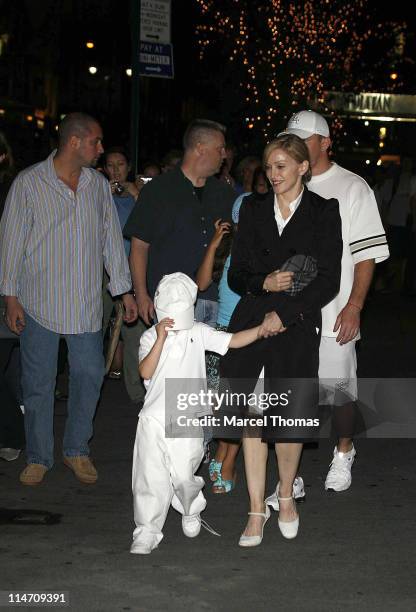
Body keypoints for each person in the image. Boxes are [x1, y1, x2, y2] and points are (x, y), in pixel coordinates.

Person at [0, 112, 138, 486]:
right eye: (96, 142)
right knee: (39, 382)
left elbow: (111, 240)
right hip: (38, 302)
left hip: (85, 304)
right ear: (75, 142)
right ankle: (39, 455)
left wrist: (123, 290)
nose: (100, 149)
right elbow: (11, 243)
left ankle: (76, 449)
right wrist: (10, 297)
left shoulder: (96, 185)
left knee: (91, 375)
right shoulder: (29, 183)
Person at [221, 133, 342, 546]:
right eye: (269, 167)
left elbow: (328, 280)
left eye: (281, 167)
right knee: (254, 417)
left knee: (287, 422)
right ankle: (256, 510)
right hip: (253, 321)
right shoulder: (252, 209)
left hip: (296, 325)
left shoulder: (325, 211)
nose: (272, 175)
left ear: (303, 167)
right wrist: (264, 281)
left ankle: (286, 495)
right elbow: (236, 274)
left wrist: (285, 312)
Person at [267, 109, 389, 494]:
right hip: (291, 312)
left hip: (334, 310)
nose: (297, 143)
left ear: (325, 143)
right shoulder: (284, 182)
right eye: (291, 137)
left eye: (304, 138)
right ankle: (292, 474)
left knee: (339, 391)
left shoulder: (353, 188)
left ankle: (344, 449)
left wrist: (354, 306)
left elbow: (365, 255)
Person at [131, 272, 264, 554]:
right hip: (153, 416)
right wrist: (160, 339)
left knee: (183, 472)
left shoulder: (198, 331)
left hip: (185, 412)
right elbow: (145, 371)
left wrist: (261, 329)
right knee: (149, 476)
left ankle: (191, 507)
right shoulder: (148, 337)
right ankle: (146, 530)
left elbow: (233, 341)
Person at [124, 119, 236, 328]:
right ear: (200, 148)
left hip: (213, 300)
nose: (224, 155)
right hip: (169, 302)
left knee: (207, 360)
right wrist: (141, 295)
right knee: (171, 360)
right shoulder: (158, 191)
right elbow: (139, 247)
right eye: (220, 149)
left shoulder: (225, 194)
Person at [102, 147, 146, 404]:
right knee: (93, 329)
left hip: (132, 272)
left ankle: (137, 393)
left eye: (120, 164)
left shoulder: (138, 196)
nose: (116, 169)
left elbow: (152, 225)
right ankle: (90, 385)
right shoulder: (99, 193)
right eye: (111, 164)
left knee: (135, 333)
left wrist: (136, 194)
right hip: (103, 273)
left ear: (128, 167)